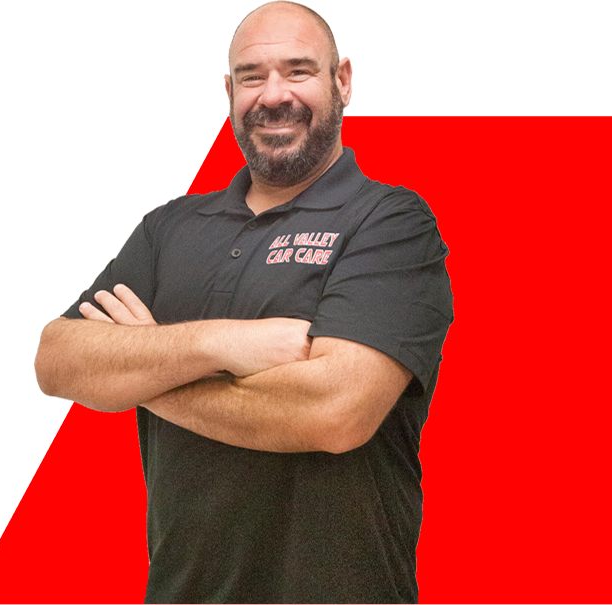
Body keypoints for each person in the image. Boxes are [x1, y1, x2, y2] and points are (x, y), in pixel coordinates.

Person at [33, 1, 453, 602]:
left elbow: (335, 412)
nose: (273, 95)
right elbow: (57, 360)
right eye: (252, 77)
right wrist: (225, 343)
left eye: (299, 71)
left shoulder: (390, 221)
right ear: (229, 91)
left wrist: (141, 372)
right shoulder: (168, 227)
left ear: (343, 81)